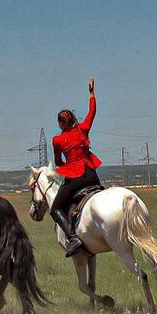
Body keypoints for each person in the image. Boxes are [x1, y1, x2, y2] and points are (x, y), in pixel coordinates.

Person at [50, 78, 102, 256]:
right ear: (73, 120)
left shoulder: (57, 140)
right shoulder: (83, 129)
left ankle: (73, 238)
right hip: (92, 174)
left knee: (55, 208)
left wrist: (66, 166)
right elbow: (92, 112)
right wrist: (92, 93)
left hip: (76, 177)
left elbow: (58, 162)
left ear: (61, 123)